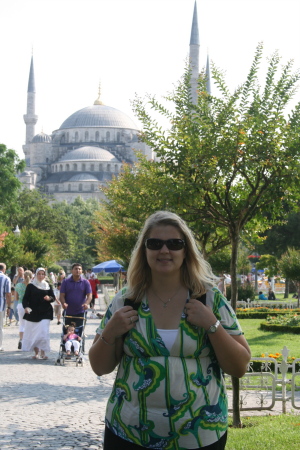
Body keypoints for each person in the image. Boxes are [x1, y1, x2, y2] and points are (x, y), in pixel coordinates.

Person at [89, 211, 251, 450]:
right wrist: (110, 332)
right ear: (144, 251)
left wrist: (212, 325)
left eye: (174, 244)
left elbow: (240, 366)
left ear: (186, 251)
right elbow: (99, 367)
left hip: (199, 435)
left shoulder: (209, 299)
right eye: (154, 244)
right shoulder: (126, 300)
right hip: (129, 435)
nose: (164, 251)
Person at [22, 267, 55, 359]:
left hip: (46, 312)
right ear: (36, 275)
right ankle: (36, 353)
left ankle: (43, 352)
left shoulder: (48, 285)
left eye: (42, 274)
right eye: (39, 274)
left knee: (43, 332)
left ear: (45, 275)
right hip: (33, 312)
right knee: (35, 333)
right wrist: (26, 307)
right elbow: (25, 299)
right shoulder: (31, 286)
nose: (41, 276)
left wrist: (49, 299)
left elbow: (53, 297)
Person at [60, 263, 92, 327]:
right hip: (68, 311)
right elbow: (62, 295)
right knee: (67, 333)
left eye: (79, 269)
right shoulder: (66, 282)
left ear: (82, 271)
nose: (77, 270)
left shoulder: (85, 282)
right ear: (72, 271)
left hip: (81, 312)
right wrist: (63, 303)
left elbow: (89, 295)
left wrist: (86, 303)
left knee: (79, 332)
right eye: (76, 269)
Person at [15, 270, 33, 349]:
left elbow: (16, 298)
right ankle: (29, 341)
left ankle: (21, 340)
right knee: (30, 324)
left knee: (22, 324)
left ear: (23, 276)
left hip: (20, 305)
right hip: (30, 306)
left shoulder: (18, 285)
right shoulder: (33, 286)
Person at [0, 263, 12, 351]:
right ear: (4, 269)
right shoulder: (6, 278)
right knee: (0, 326)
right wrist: (9, 306)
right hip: (1, 305)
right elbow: (8, 294)